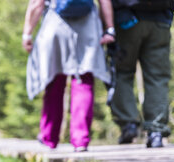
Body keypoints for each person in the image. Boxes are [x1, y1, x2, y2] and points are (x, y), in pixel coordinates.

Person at [22, 0, 115, 152]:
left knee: (55, 81)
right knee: (84, 81)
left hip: (56, 24)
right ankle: (80, 140)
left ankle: (49, 137)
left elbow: (37, 3)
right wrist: (110, 28)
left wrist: (27, 33)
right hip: (87, 25)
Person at [110, 1, 174, 148]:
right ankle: (156, 131)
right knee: (158, 76)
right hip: (160, 20)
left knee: (123, 72)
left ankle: (129, 124)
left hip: (127, 19)